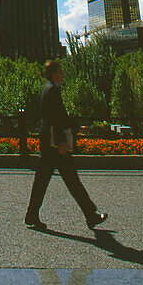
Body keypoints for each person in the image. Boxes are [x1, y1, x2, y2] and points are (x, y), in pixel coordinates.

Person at [25, 59, 108, 232]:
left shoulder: (47, 89)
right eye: (60, 71)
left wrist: (75, 127)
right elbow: (57, 118)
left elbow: (56, 117)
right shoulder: (53, 90)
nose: (63, 74)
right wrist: (64, 140)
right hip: (56, 144)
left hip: (49, 142)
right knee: (71, 180)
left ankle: (31, 215)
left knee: (43, 181)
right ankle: (91, 215)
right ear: (54, 73)